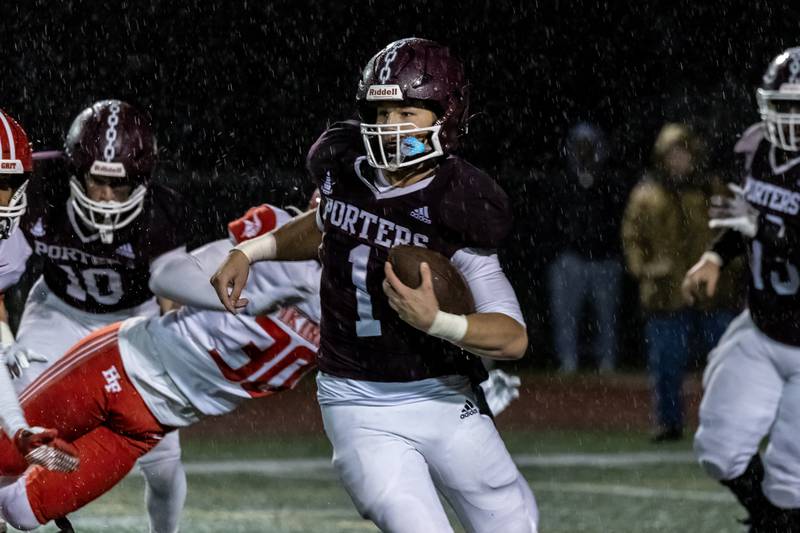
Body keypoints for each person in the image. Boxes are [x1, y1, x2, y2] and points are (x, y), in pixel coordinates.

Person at [212, 38, 538, 533]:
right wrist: (250, 250)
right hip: (357, 400)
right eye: (381, 112)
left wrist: (439, 321)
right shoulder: (344, 165)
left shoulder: (461, 201)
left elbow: (513, 337)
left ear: (445, 116)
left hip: (446, 395)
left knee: (513, 521)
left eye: (406, 112)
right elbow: (326, 221)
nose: (389, 128)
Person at [0, 100, 189, 533]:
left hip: (133, 324)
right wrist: (5, 340)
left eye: (119, 187)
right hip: (58, 312)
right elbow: (3, 270)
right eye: (96, 181)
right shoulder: (37, 187)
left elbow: (171, 306)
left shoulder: (163, 216)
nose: (105, 197)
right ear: (74, 169)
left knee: (163, 463)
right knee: (18, 419)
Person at [683, 47, 800, 531]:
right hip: (762, 325)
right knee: (719, 451)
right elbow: (742, 217)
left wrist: (764, 230)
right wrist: (714, 254)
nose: (787, 117)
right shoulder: (757, 148)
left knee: (793, 482)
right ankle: (769, 522)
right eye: (781, 104)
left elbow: (760, 224)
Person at [622, 123, 740, 442]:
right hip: (666, 291)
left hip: (711, 291)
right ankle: (669, 422)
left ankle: (731, 423)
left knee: (726, 361)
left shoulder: (712, 189)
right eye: (673, 154)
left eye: (684, 153)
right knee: (666, 362)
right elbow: (632, 238)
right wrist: (645, 269)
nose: (679, 160)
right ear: (662, 158)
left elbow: (734, 230)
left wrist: (729, 268)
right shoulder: (646, 194)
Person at [547, 122, 626, 373]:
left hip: (605, 259)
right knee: (566, 317)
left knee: (608, 318)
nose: (584, 152)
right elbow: (548, 221)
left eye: (589, 147)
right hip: (571, 259)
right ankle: (568, 361)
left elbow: (620, 220)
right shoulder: (561, 182)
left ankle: (607, 362)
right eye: (579, 147)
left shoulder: (612, 182)